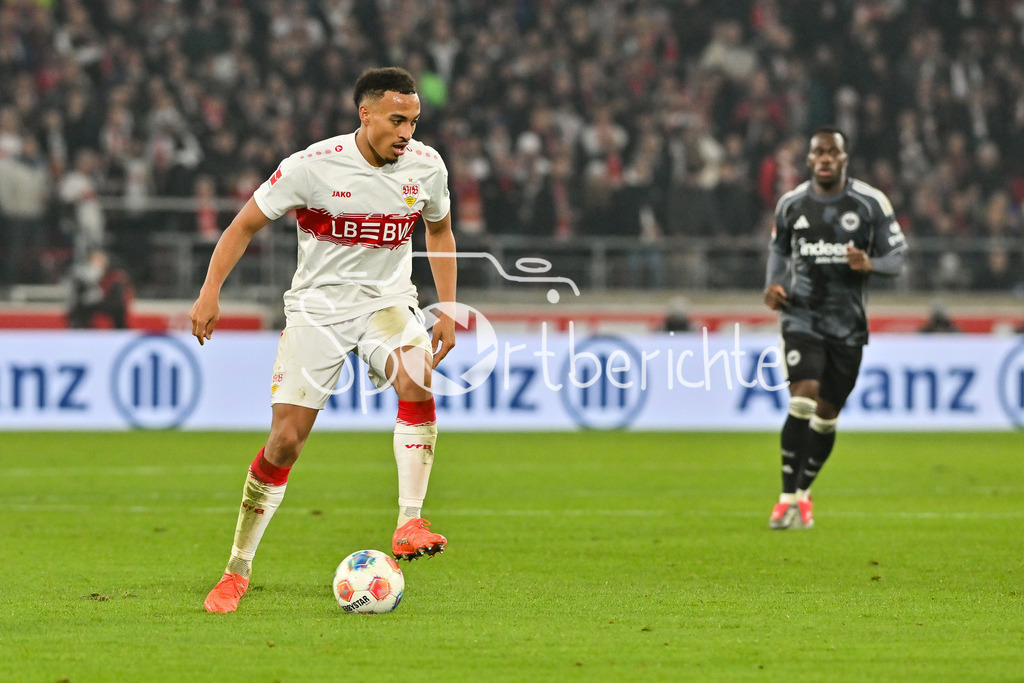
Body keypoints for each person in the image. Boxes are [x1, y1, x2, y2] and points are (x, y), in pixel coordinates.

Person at [189, 67, 457, 612]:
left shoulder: (426, 167)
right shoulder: (312, 167)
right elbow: (242, 225)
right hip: (318, 309)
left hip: (387, 303)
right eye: (396, 119)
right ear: (366, 114)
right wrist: (210, 291)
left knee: (418, 375)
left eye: (414, 120)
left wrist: (447, 308)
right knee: (286, 440)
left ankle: (409, 522)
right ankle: (236, 570)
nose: (407, 131)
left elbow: (440, 229)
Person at [763, 126, 906, 530]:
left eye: (832, 152)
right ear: (809, 160)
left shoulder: (869, 203)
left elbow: (898, 257)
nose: (825, 158)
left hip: (847, 325)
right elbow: (778, 249)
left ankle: (803, 493)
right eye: (818, 152)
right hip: (801, 314)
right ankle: (786, 499)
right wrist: (772, 287)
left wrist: (871, 264)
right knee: (803, 395)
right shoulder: (791, 204)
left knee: (827, 414)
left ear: (844, 159)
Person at [66, 249, 132, 329]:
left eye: (98, 261)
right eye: (93, 261)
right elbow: (79, 295)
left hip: (111, 304)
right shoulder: (83, 276)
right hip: (92, 303)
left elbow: (117, 301)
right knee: (80, 307)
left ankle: (120, 331)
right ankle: (79, 330)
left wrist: (100, 295)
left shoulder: (115, 276)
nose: (95, 263)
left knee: (118, 311)